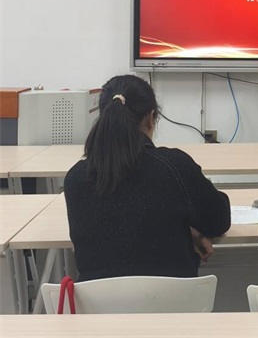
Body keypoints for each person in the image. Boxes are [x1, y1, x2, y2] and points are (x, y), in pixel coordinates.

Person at [64, 75, 231, 281]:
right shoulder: (174, 167)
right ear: (151, 118)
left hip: (99, 301)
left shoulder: (75, 178)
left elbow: (113, 231)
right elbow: (219, 221)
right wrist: (189, 230)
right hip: (174, 300)